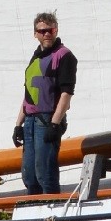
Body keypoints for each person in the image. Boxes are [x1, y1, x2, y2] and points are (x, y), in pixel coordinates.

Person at [18, 11, 78, 195]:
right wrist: (18, 124)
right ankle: (33, 214)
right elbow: (28, 94)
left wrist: (55, 122)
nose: (47, 34)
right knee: (29, 176)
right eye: (42, 31)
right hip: (30, 121)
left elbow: (67, 92)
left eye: (50, 30)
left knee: (45, 173)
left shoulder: (64, 55)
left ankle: (52, 214)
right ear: (35, 33)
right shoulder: (36, 57)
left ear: (56, 30)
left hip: (47, 120)